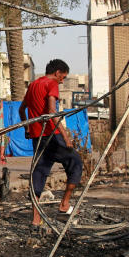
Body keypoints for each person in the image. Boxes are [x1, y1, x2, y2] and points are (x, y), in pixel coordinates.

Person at [20, 58, 83, 226]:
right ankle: (64, 204)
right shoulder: (51, 83)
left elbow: (21, 109)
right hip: (51, 135)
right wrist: (66, 137)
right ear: (57, 73)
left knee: (39, 173)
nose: (62, 81)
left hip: (36, 137)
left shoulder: (33, 85)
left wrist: (27, 128)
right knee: (76, 163)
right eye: (63, 77)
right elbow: (51, 112)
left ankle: (35, 219)